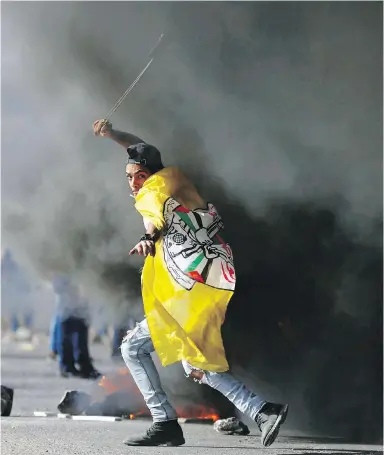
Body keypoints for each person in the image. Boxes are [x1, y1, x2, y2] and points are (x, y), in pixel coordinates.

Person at [93, 119, 289, 447]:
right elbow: (139, 147)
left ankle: (167, 423)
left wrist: (146, 238)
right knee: (194, 362)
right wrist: (114, 135)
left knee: (133, 347)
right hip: (208, 278)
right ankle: (262, 411)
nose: (131, 184)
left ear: (146, 175)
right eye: (128, 176)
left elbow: (152, 217)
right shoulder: (172, 178)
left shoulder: (151, 193)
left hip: (189, 288)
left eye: (134, 177)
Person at [52, 275, 101, 379]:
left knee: (82, 331)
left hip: (79, 297)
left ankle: (84, 365)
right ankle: (67, 366)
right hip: (67, 297)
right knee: (67, 333)